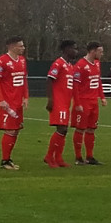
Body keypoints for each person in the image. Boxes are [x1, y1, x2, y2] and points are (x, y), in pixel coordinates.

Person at [0, 36, 29, 170]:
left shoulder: (22, 60)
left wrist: (26, 97)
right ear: (12, 47)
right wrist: (1, 100)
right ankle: (4, 161)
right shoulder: (2, 61)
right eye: (21, 46)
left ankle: (8, 158)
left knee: (16, 130)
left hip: (18, 101)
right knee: (10, 130)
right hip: (7, 102)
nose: (23, 48)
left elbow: (24, 79)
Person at [44, 39, 78, 168]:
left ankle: (58, 158)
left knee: (64, 130)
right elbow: (49, 80)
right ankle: (49, 156)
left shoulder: (70, 66)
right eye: (74, 48)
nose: (76, 51)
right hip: (58, 101)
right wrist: (51, 99)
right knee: (61, 129)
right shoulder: (58, 63)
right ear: (66, 50)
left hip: (65, 102)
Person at [71, 41, 107, 165]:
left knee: (92, 129)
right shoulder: (80, 65)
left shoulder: (97, 64)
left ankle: (90, 157)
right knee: (80, 129)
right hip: (83, 102)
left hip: (93, 102)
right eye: (100, 51)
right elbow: (74, 86)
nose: (102, 54)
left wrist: (102, 97)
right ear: (93, 51)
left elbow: (98, 81)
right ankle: (78, 157)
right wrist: (77, 103)